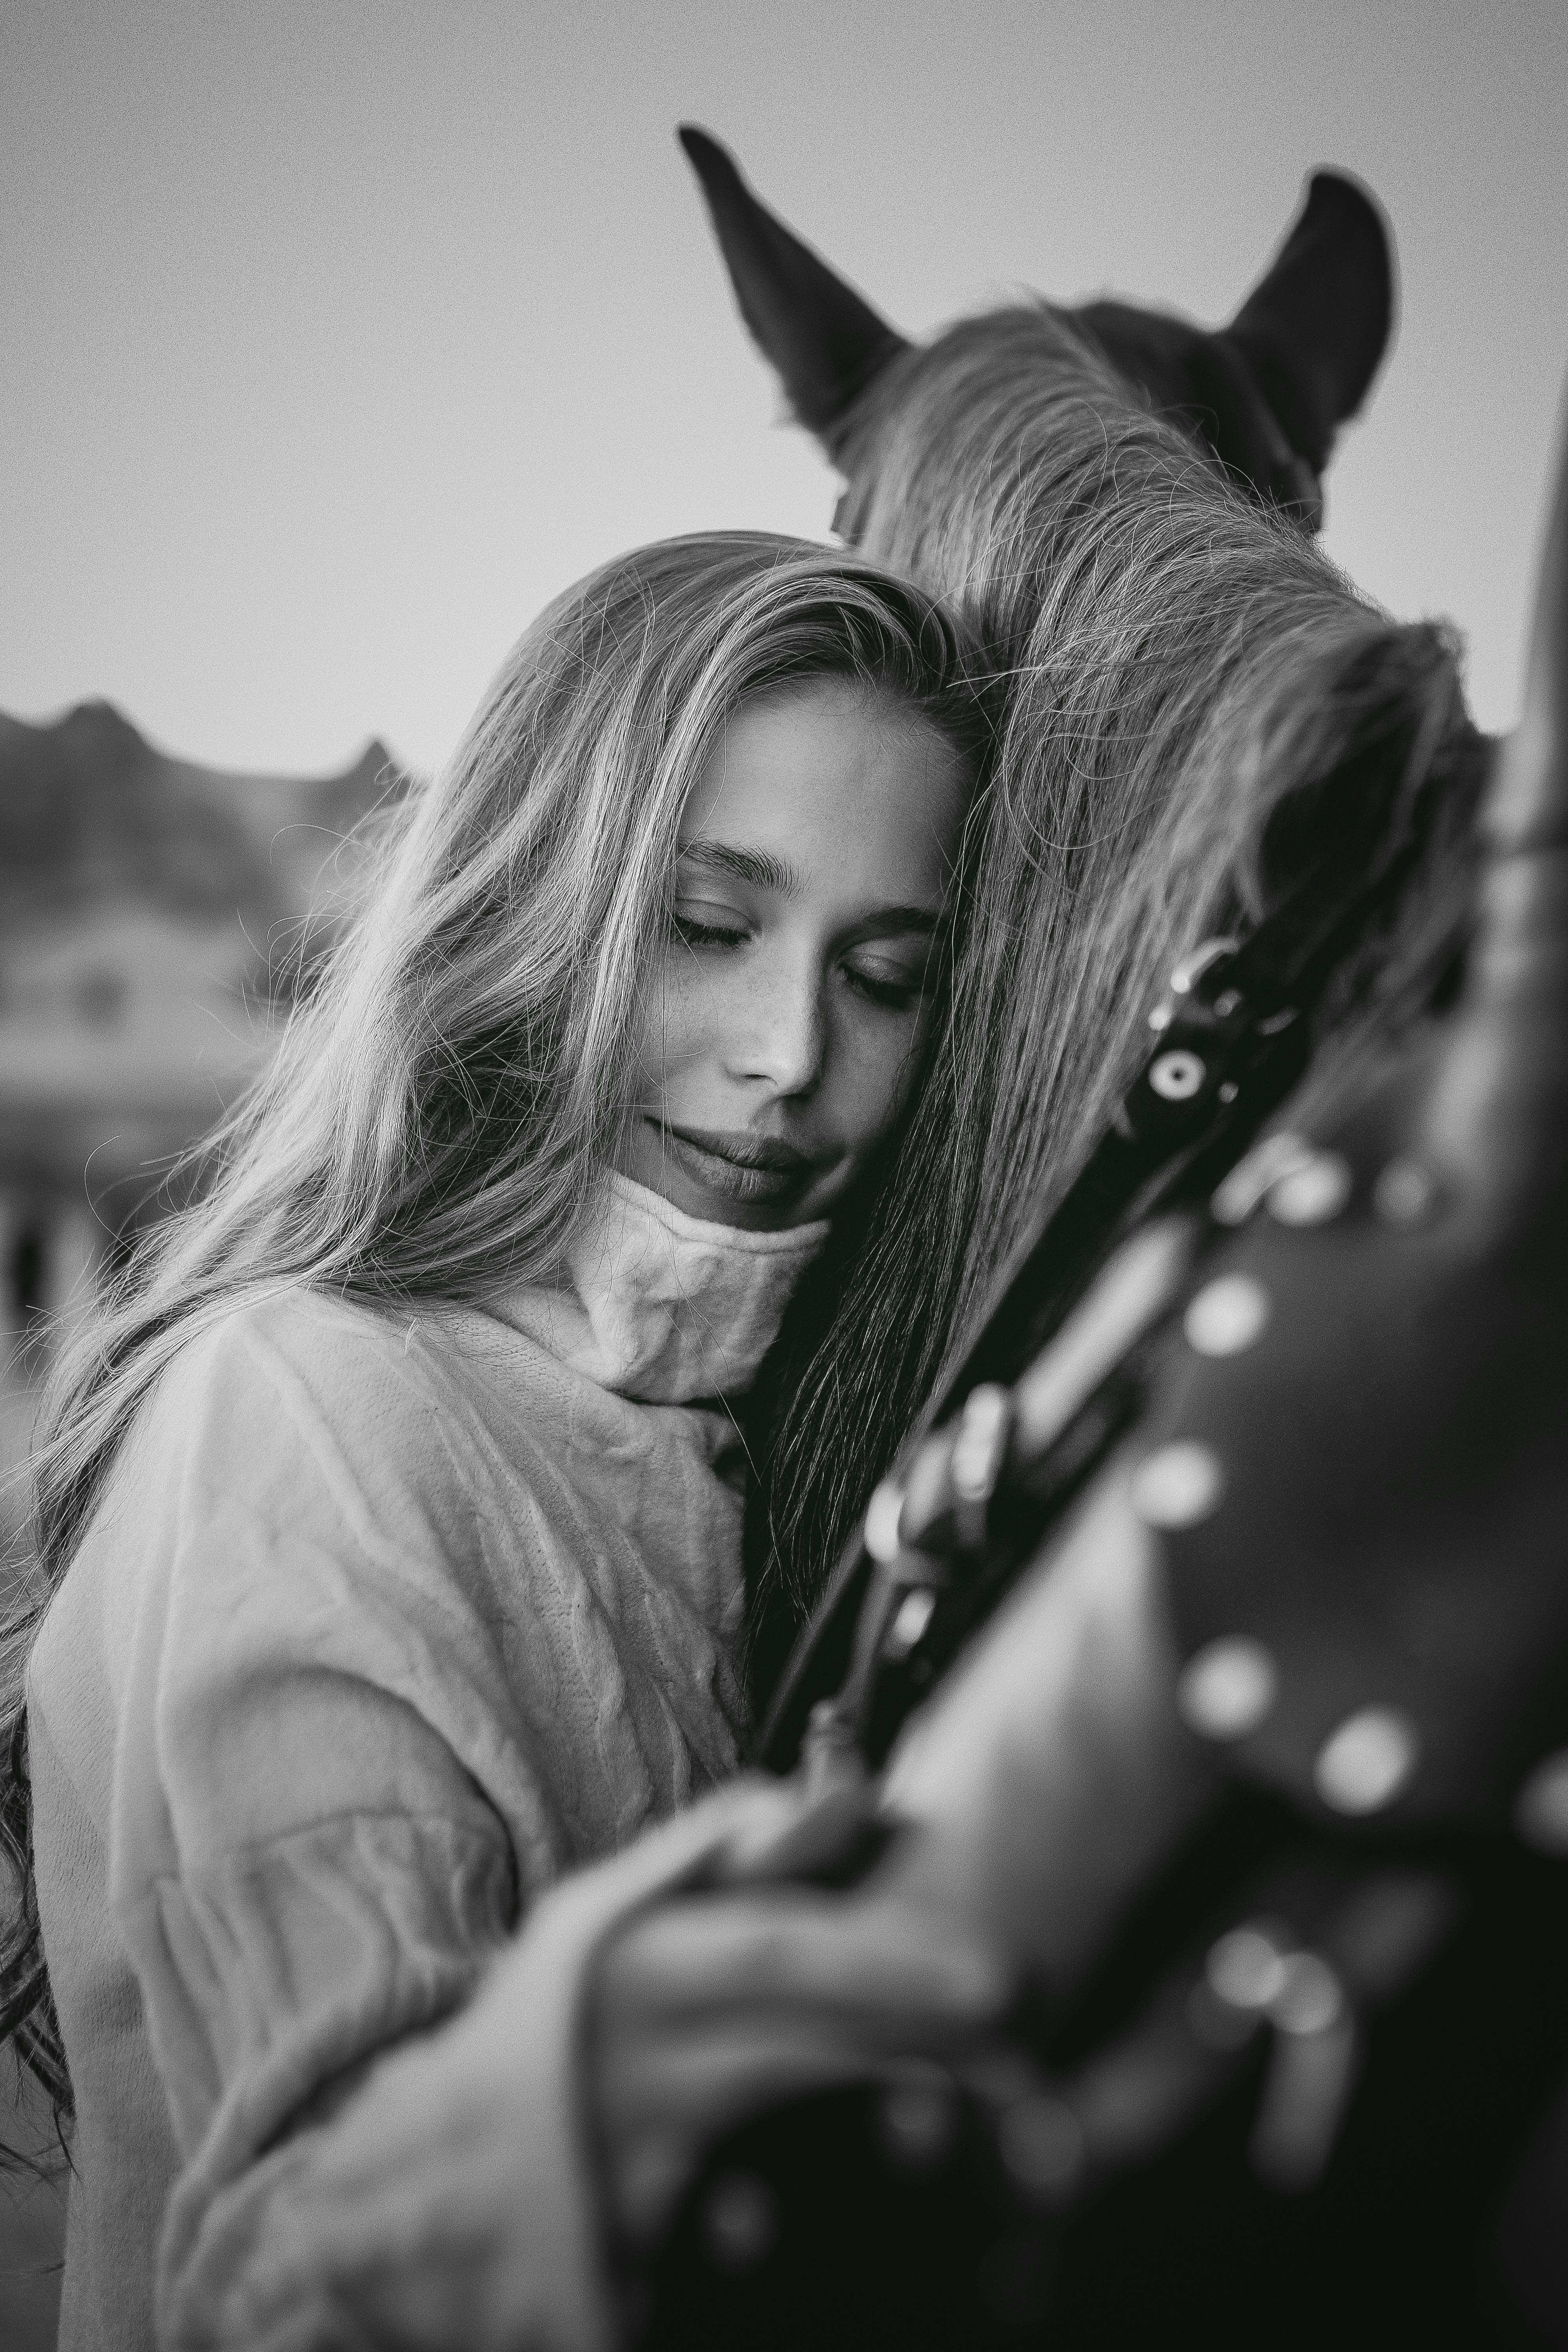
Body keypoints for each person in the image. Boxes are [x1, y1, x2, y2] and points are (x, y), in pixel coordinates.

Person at [0, 529, 994, 2349]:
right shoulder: (309, 1406)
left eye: (888, 973)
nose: (789, 1051)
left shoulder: (779, 1445)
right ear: (539, 908)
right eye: (708, 926)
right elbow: (305, 2277)